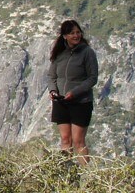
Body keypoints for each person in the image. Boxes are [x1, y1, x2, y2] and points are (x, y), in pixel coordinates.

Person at [46, 19, 98, 165]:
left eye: (78, 32)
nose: (76, 35)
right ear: (65, 36)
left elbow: (92, 78)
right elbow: (51, 76)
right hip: (61, 101)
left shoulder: (87, 53)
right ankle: (66, 174)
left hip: (81, 102)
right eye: (72, 33)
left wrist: (75, 92)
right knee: (65, 139)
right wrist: (53, 91)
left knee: (78, 141)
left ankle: (86, 177)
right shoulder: (59, 54)